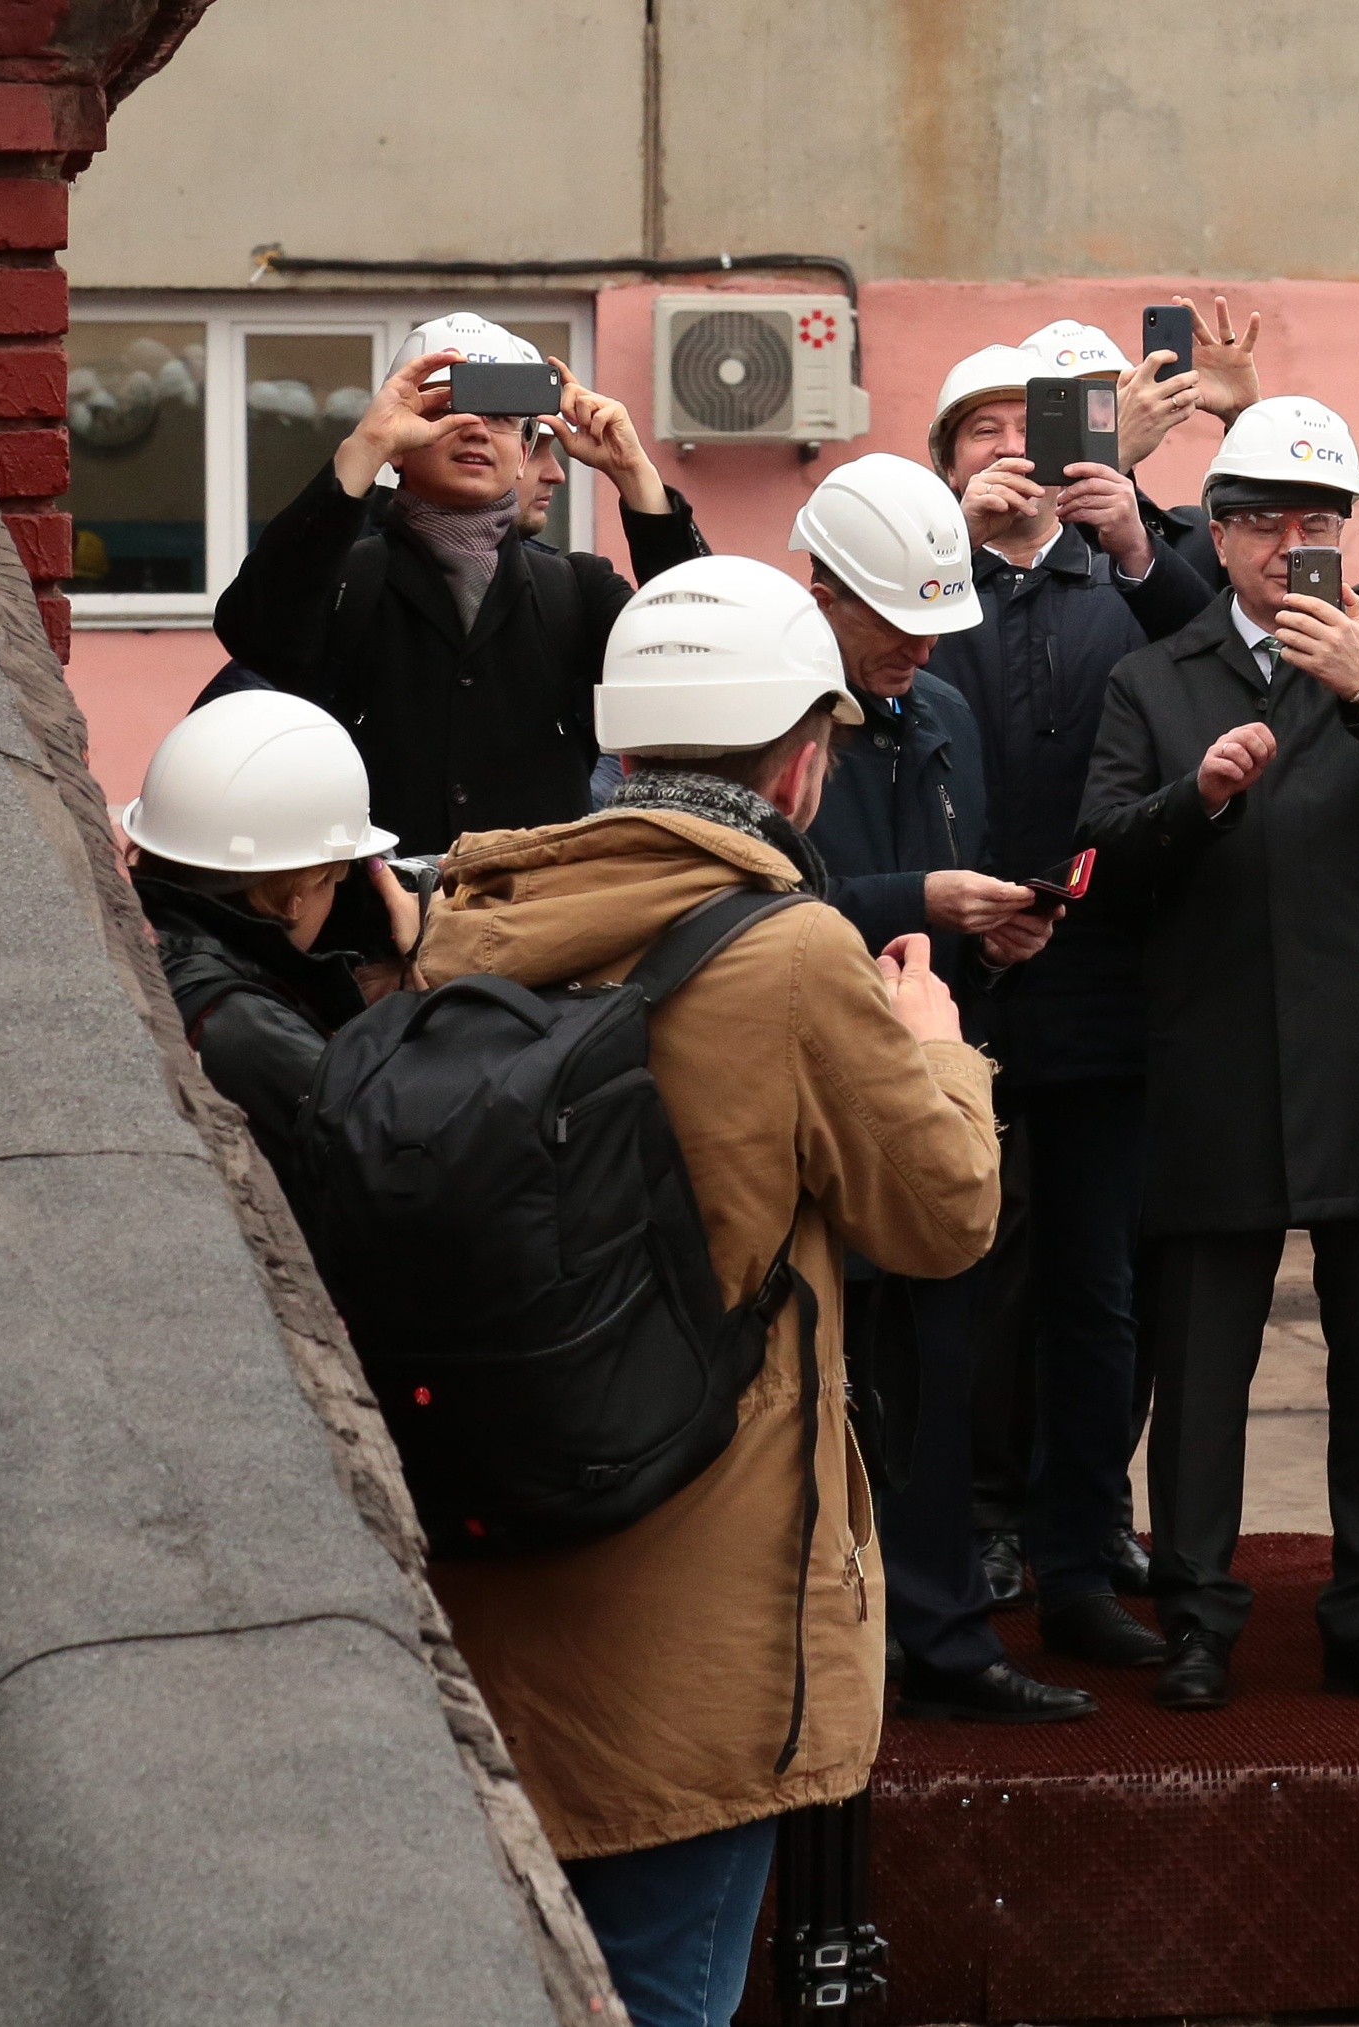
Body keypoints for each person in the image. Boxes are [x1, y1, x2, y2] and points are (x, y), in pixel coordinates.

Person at [419, 555, 998, 2027]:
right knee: (670, 1987)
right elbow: (941, 1216)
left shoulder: (473, 920)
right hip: (705, 1578)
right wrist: (937, 1044)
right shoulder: (791, 951)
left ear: (620, 750)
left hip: (500, 1542)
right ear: (801, 764)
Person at [1077, 398, 1359, 1708]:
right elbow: (1099, 859)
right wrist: (1193, 799)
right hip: (1218, 1062)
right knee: (1203, 1368)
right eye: (1261, 520)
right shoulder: (1155, 678)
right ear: (1217, 532)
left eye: (1315, 521)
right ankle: (1198, 1611)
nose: (1286, 544)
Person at [922, 328, 1224, 1673]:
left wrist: (1134, 527)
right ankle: (977, 1517)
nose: (1015, 454)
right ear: (946, 460)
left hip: (1109, 978)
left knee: (1104, 1286)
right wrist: (952, 544)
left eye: (1036, 428)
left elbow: (1218, 654)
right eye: (985, 431)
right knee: (971, 1269)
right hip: (955, 981)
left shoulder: (1129, 562)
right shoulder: (927, 580)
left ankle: (1084, 1536)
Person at [785, 452, 1092, 1731]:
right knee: (816, 1391)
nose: (918, 648)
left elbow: (954, 880)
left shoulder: (945, 711)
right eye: (892, 623)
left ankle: (944, 1638)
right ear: (821, 592)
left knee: (937, 1374)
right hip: (805, 1094)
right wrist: (916, 901)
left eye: (933, 622)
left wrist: (997, 935)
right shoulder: (767, 714)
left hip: (931, 1087)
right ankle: (832, 1651)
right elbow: (750, 892)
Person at [213, 312, 708, 856]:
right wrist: (364, 448)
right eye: (448, 409)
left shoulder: (576, 589)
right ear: (397, 443)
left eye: (501, 415)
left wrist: (635, 474)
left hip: (538, 908)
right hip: (373, 904)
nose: (475, 428)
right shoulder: (343, 580)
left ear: (524, 452)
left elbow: (703, 654)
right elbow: (255, 631)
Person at [125, 687, 415, 1164]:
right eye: (336, 878)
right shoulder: (244, 1028)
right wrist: (424, 999)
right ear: (300, 891)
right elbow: (389, 1154)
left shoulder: (134, 933)